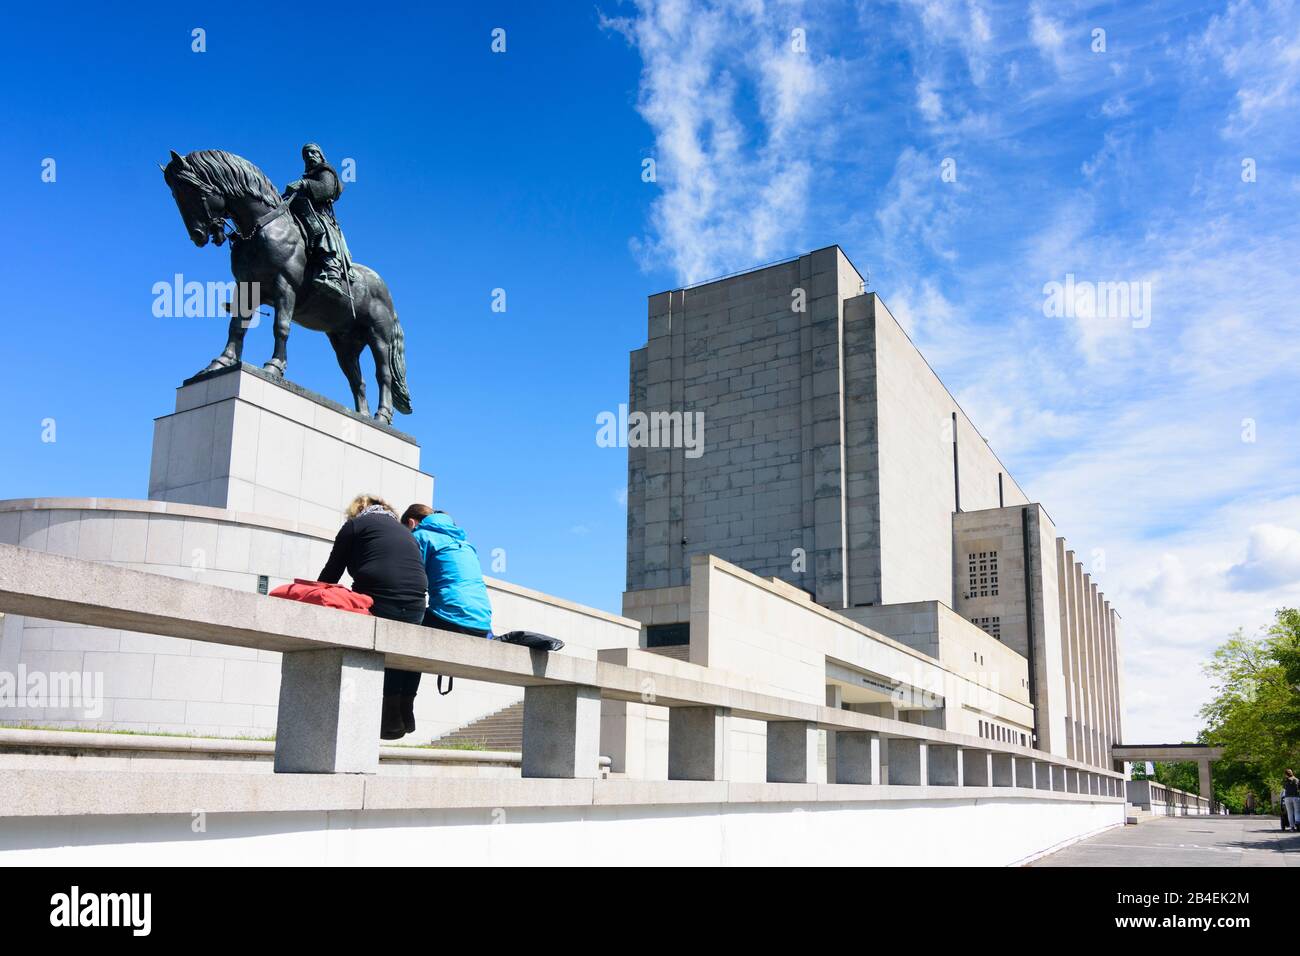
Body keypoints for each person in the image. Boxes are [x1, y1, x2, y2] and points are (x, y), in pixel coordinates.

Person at [318, 494, 428, 740]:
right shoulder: (404, 532)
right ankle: (404, 708)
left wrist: (313, 599)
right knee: (404, 650)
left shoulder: (355, 526)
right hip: (416, 603)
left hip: (379, 597)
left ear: (356, 511)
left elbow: (331, 573)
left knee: (377, 648)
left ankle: (388, 715)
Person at [402, 503, 493, 644]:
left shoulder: (421, 536)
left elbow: (408, 580)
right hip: (482, 625)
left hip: (451, 620)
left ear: (411, 523)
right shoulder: (466, 544)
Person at [283, 142, 351, 299]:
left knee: (319, 229)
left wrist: (304, 184)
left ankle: (332, 273)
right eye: (306, 155)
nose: (310, 157)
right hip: (302, 213)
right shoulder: (308, 177)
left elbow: (326, 189)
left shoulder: (325, 170)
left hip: (320, 215)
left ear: (321, 155)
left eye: (313, 153)